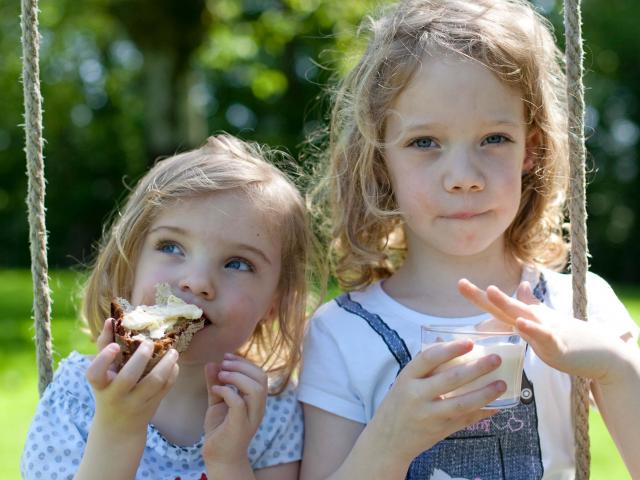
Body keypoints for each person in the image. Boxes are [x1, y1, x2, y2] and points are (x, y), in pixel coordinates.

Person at [298, 0, 640, 479]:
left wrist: (617, 366)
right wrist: (390, 440)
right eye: (425, 142)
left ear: (531, 150)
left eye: (494, 138)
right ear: (380, 161)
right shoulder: (341, 334)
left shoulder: (582, 305)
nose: (463, 177)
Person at [21, 134, 313, 480]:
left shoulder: (269, 411)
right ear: (129, 260)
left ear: (274, 303)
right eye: (172, 247)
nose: (197, 281)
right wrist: (117, 429)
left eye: (237, 263)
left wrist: (229, 461)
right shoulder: (77, 397)